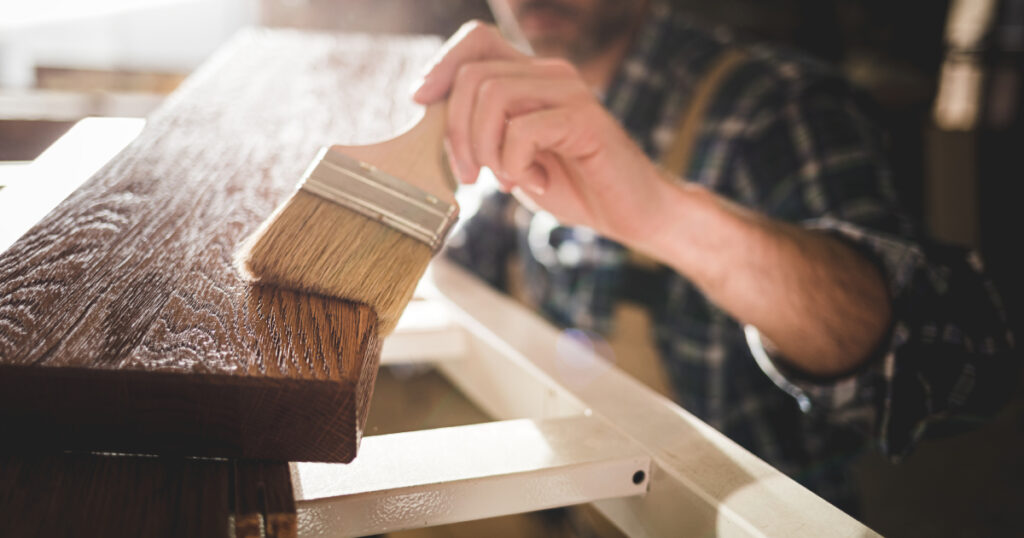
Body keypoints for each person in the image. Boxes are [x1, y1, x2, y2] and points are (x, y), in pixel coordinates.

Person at [410, 0, 1018, 513]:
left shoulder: (774, 107)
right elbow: (463, 275)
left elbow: (961, 364)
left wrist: (666, 216)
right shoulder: (513, 108)